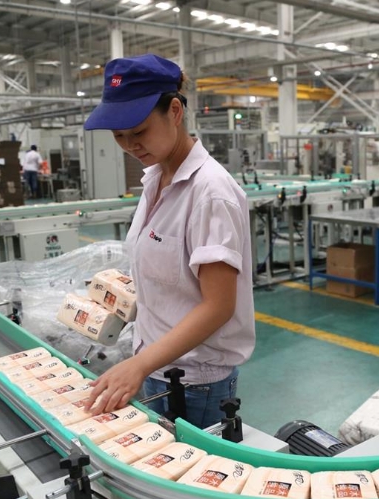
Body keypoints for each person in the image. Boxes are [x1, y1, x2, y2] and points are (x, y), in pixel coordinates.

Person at [81, 54, 255, 429]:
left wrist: (138, 365)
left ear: (174, 111)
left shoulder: (210, 192)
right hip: (156, 367)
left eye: (139, 132)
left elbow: (219, 306)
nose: (130, 145)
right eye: (118, 136)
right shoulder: (155, 179)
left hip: (195, 384)